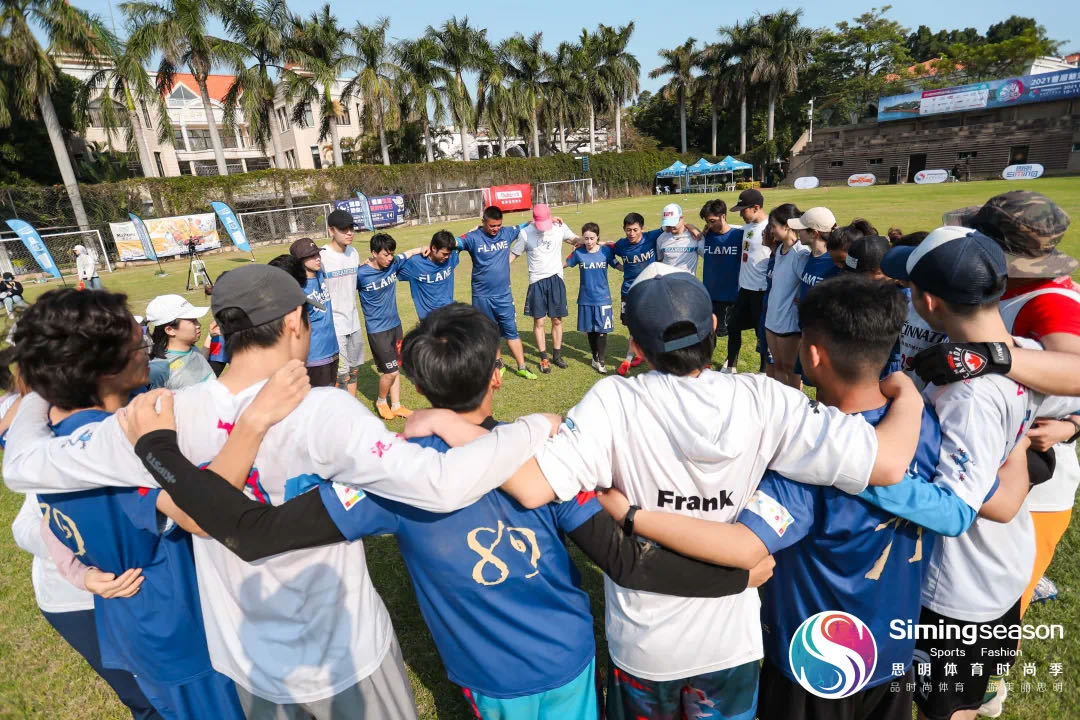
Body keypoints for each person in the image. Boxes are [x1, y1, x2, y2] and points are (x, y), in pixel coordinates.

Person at [117, 302, 771, 720]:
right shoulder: (548, 454)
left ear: (416, 384)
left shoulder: (389, 475)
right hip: (565, 658)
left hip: (491, 674)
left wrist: (158, 450)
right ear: (496, 376)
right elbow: (624, 560)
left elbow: (254, 533)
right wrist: (736, 578)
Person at [2, 264, 559, 720]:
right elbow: (440, 485)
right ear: (295, 321)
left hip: (246, 659)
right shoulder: (326, 410)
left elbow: (23, 467)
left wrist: (40, 383)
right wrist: (531, 428)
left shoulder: (159, 417)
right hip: (344, 652)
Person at [528, 263, 926, 720]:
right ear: (715, 326)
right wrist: (911, 397)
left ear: (636, 347)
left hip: (645, 641)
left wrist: (531, 428)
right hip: (730, 640)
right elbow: (888, 463)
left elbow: (538, 484)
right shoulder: (766, 398)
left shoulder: (613, 401)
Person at [8, 288, 244, 720]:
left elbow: (47, 522)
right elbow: (205, 517)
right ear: (103, 367)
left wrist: (78, 573)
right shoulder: (125, 443)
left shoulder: (49, 448)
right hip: (179, 626)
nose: (147, 350)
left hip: (133, 625)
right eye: (138, 345)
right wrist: (256, 425)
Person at [880, 227, 1080, 720]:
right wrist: (1019, 454)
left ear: (927, 300)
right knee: (963, 695)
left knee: (945, 708)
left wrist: (867, 469)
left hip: (956, 586)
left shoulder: (966, 394)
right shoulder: (1026, 353)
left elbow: (960, 504)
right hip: (1002, 567)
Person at [1, 349, 162, 720]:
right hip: (77, 600)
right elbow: (26, 526)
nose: (142, 353)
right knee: (145, 700)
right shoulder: (55, 440)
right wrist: (80, 571)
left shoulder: (135, 411)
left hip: (140, 585)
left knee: (171, 691)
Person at [458, 206, 536, 379]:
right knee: (489, 332)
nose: (496, 229)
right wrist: (468, 232)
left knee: (511, 331)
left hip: (504, 295)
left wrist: (549, 220)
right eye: (492, 226)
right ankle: (498, 363)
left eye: (498, 225)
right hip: (481, 296)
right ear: (483, 222)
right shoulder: (473, 238)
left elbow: (525, 225)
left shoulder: (507, 232)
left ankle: (522, 366)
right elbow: (453, 242)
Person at [356, 233, 426, 419]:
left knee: (397, 366)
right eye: (385, 255)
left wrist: (421, 249)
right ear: (374, 253)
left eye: (391, 254)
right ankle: (381, 401)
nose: (389, 258)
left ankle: (396, 406)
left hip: (395, 326)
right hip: (377, 330)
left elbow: (407, 254)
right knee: (391, 371)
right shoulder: (360, 274)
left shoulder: (393, 263)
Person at [510, 204, 579, 373]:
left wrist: (597, 241)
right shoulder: (525, 233)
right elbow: (513, 255)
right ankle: (544, 358)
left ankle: (557, 355)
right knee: (539, 321)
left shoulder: (559, 227)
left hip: (556, 279)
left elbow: (576, 239)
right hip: (537, 282)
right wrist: (495, 269)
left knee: (557, 320)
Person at [609, 211, 664, 376]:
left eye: (635, 230)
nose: (631, 233)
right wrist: (618, 266)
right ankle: (638, 353)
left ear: (642, 229)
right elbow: (608, 252)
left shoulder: (651, 237)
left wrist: (693, 229)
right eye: (628, 230)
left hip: (650, 289)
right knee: (632, 325)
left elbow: (670, 226)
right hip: (629, 291)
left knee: (652, 323)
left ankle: (629, 358)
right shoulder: (621, 245)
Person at [320, 208, 366, 396]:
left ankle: (352, 408)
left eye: (351, 228)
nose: (349, 233)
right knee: (341, 375)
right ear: (331, 230)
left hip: (353, 321)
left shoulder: (353, 253)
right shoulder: (321, 256)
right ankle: (338, 410)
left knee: (354, 371)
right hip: (334, 324)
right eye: (343, 229)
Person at [566, 223, 621, 373]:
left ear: (597, 237)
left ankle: (601, 360)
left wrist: (632, 269)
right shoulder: (578, 253)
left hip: (603, 298)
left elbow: (617, 265)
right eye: (586, 238)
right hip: (585, 299)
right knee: (591, 330)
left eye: (592, 238)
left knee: (602, 330)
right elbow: (565, 264)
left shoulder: (606, 251)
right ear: (582, 238)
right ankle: (595, 357)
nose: (589, 241)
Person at [763, 203, 808, 389]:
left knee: (791, 370)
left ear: (787, 226)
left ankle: (795, 404)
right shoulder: (780, 249)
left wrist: (801, 300)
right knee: (778, 367)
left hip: (788, 323)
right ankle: (782, 403)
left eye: (773, 226)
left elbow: (807, 284)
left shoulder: (801, 253)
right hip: (772, 320)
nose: (771, 230)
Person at [728, 189, 771, 373]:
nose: (741, 214)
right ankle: (731, 367)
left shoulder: (770, 228)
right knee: (733, 326)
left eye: (743, 210)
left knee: (760, 333)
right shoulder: (747, 227)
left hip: (761, 290)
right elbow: (730, 228)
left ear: (756, 208)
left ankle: (763, 372)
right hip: (744, 289)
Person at [290, 237, 340, 388]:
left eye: (317, 253)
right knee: (318, 398)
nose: (318, 258)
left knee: (331, 392)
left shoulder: (320, 274)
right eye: (312, 256)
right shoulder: (298, 289)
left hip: (332, 348)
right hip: (315, 355)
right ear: (300, 261)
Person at [145, 294, 214, 390]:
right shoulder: (158, 369)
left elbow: (198, 364)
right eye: (192, 321)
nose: (198, 324)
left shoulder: (191, 348)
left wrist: (210, 336)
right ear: (170, 330)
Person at [699, 199, 742, 344]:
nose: (710, 225)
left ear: (723, 216)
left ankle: (731, 358)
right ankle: (707, 357)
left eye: (712, 221)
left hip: (731, 295)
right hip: (710, 294)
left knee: (732, 332)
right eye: (707, 222)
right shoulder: (707, 236)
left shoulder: (739, 235)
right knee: (708, 333)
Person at [398, 230, 460, 320]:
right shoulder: (414, 263)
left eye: (449, 254)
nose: (447, 257)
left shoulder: (452, 256)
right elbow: (392, 263)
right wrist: (416, 250)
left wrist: (479, 227)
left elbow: (467, 237)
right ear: (434, 248)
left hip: (449, 313)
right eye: (444, 254)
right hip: (428, 319)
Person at [655, 203, 704, 273]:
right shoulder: (661, 238)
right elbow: (659, 261)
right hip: (667, 279)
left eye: (673, 222)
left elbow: (708, 257)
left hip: (688, 280)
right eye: (668, 223)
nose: (671, 226)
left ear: (681, 218)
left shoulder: (695, 236)